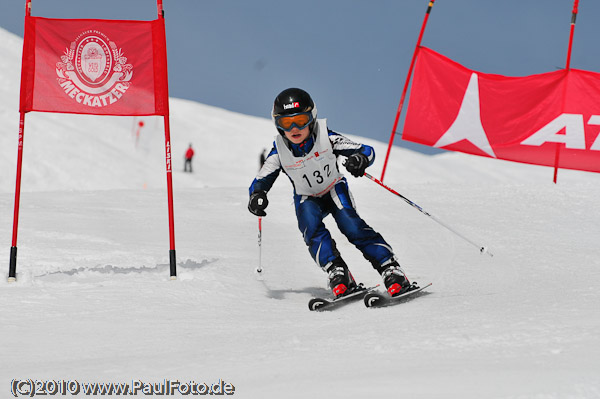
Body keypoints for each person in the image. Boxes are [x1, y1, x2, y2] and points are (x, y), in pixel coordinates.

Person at [247, 88, 411, 298]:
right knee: (311, 230)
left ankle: (390, 268)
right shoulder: (279, 151)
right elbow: (261, 179)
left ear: (312, 118)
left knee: (352, 226)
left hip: (334, 189)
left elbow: (366, 150)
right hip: (307, 197)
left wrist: (359, 160)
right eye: (287, 123)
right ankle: (337, 270)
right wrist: (257, 195)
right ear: (278, 125)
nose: (295, 128)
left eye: (301, 120)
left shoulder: (327, 137)